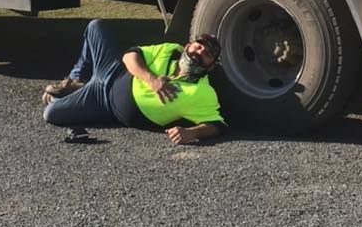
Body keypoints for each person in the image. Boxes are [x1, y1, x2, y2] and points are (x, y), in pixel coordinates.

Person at [42, 19, 226, 144]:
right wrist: (152, 80)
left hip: (106, 105)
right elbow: (130, 55)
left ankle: (71, 94)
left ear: (211, 66)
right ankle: (75, 81)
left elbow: (216, 126)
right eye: (198, 45)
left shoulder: (201, 92)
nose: (200, 52)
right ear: (188, 46)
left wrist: (190, 133)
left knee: (51, 113)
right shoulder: (170, 50)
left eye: (207, 54)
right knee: (95, 26)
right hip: (112, 70)